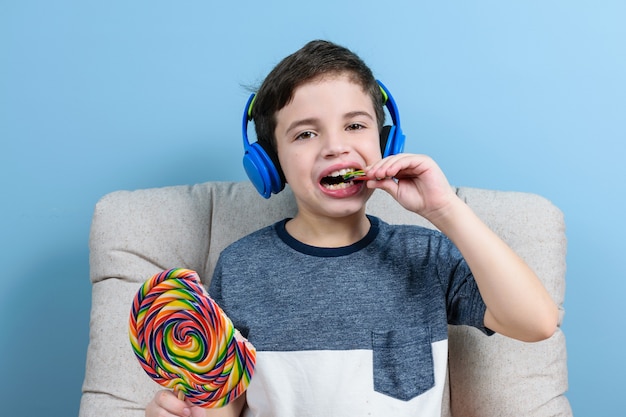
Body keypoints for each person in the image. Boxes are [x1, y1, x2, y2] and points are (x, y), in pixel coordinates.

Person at [146, 39, 558, 417]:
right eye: (306, 133)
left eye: (355, 125)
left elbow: (536, 322)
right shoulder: (242, 267)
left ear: (386, 142)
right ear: (271, 164)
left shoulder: (425, 255)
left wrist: (445, 208)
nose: (335, 146)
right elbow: (223, 404)